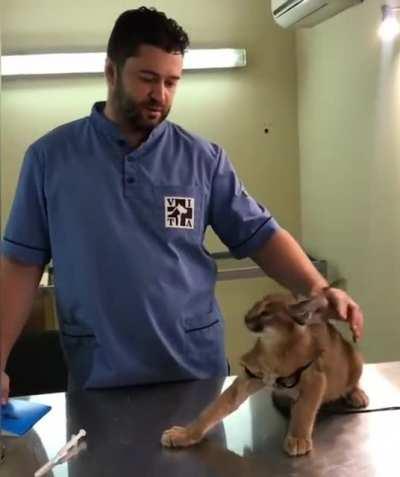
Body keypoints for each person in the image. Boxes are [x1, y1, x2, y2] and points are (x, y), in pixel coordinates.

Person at [0, 7, 363, 401]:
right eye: (148, 78)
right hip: (99, 377)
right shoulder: (51, 159)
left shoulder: (202, 160)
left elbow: (261, 236)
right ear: (111, 72)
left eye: (172, 82)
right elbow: (21, 265)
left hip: (195, 374)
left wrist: (318, 288)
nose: (161, 95)